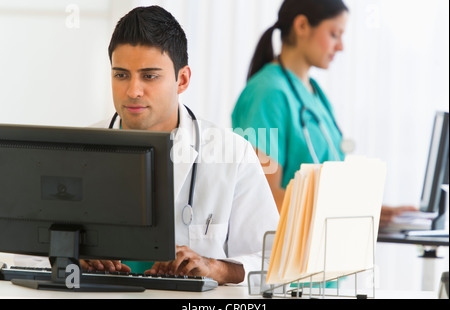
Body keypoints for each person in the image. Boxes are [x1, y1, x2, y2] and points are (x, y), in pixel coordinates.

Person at [83, 6, 279, 285]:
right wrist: (68, 257)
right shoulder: (81, 148)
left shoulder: (233, 154)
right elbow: (31, 254)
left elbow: (270, 261)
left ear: (182, 79)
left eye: (149, 76)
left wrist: (214, 268)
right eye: (121, 75)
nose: (133, 91)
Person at [232, 0, 416, 228]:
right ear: (301, 26)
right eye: (334, 34)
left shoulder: (315, 94)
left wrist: (368, 211)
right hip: (281, 254)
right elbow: (264, 198)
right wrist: (352, 212)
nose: (341, 47)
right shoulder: (267, 93)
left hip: (322, 246)